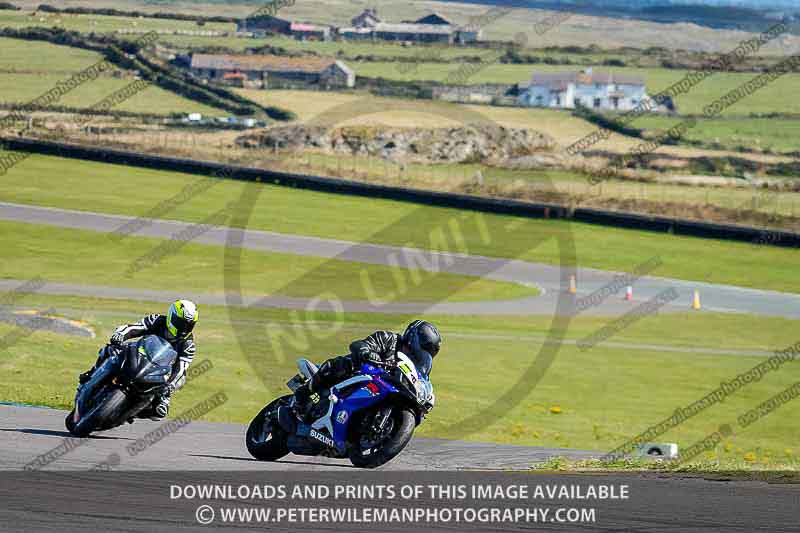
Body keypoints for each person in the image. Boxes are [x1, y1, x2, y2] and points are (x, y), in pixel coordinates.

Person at [292, 320, 441, 417]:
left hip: (380, 392)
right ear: (413, 339)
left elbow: (421, 381)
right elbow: (361, 344)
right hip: (356, 376)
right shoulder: (389, 340)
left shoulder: (415, 369)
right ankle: (302, 396)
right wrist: (366, 351)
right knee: (342, 365)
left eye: (428, 351)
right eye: (424, 347)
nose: (423, 353)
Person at [78, 299, 198, 420]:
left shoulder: (189, 345)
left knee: (162, 409)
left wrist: (169, 386)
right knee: (111, 349)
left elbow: (181, 368)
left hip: (159, 372)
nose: (184, 328)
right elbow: (135, 328)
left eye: (189, 325)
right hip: (139, 355)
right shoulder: (157, 320)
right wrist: (120, 335)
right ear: (171, 316)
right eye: (181, 323)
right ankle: (92, 373)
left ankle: (158, 401)